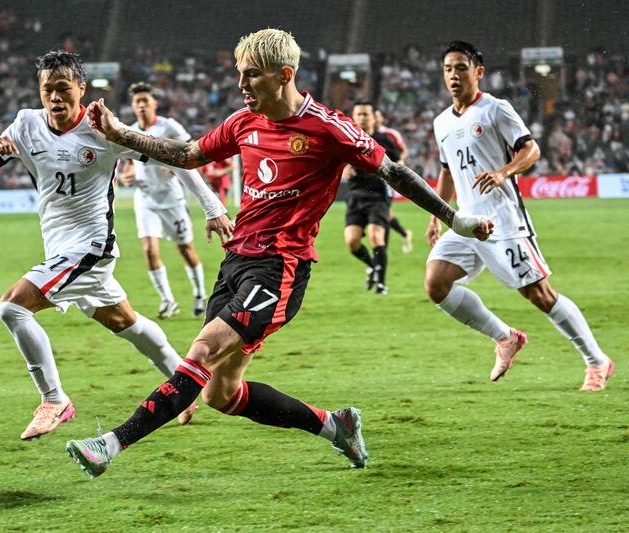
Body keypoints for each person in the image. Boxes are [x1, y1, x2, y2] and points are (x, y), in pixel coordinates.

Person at [65, 29, 492, 479]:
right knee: (220, 394)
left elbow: (394, 172)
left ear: (284, 75)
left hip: (280, 268)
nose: (242, 84)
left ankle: (108, 445)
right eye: (240, 74)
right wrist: (119, 133)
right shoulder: (243, 123)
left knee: (203, 350)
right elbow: (188, 154)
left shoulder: (328, 127)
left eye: (252, 75)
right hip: (236, 262)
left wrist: (455, 220)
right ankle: (335, 426)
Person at [0, 50, 233, 440]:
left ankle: (54, 400)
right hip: (59, 249)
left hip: (91, 248)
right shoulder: (26, 124)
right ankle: (186, 386)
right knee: (124, 321)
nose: (55, 98)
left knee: (12, 307)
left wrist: (212, 207)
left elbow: (175, 159)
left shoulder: (103, 129)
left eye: (63, 89)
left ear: (81, 89)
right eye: (47, 90)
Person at [425, 41, 614, 391]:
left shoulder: (496, 109)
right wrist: (438, 214)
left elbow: (532, 150)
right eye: (448, 68)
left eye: (461, 68)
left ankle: (597, 361)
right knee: (436, 283)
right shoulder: (441, 123)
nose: (453, 75)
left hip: (503, 221)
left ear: (478, 72)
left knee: (540, 294)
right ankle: (505, 338)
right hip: (466, 222)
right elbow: (448, 170)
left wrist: (503, 171)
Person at [119, 82, 226, 319]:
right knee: (149, 250)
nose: (142, 105)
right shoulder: (130, 132)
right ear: (133, 106)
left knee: (185, 249)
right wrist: (126, 177)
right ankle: (168, 300)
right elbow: (126, 164)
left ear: (155, 103)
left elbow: (191, 151)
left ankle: (199, 294)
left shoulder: (169, 126)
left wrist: (179, 165)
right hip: (146, 200)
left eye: (146, 100)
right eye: (138, 101)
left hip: (172, 200)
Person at [342, 101, 401, 294]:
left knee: (377, 237)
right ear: (353, 117)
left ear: (373, 117)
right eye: (358, 114)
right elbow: (335, 163)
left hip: (377, 196)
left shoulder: (383, 140)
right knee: (352, 241)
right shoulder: (346, 140)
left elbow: (397, 162)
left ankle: (381, 284)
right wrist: (343, 169)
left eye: (366, 114)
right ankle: (372, 266)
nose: (362, 118)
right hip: (355, 195)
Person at [375, 110, 413, 253]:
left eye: (378, 116)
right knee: (384, 214)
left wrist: (400, 162)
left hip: (386, 177)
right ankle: (403, 233)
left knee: (383, 214)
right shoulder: (363, 132)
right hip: (369, 178)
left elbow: (404, 151)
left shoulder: (390, 134)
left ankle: (380, 253)